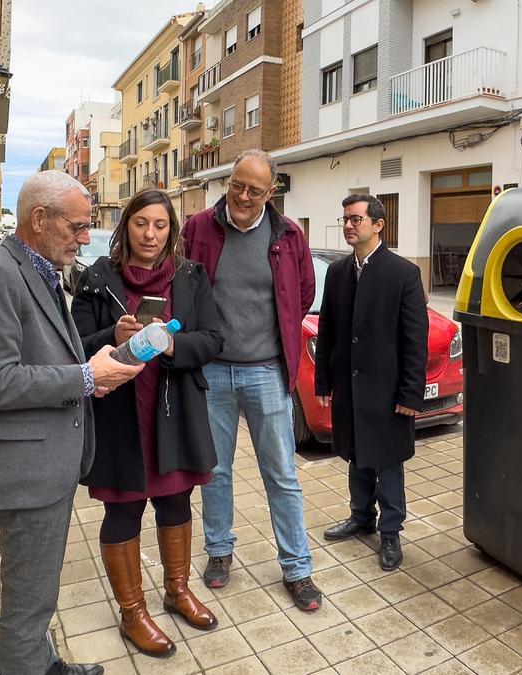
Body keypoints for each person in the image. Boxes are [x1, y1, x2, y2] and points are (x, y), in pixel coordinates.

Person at [0, 171, 144, 675]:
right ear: (40, 219)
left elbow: (46, 352)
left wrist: (95, 366)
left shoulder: (39, 270)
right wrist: (83, 377)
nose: (86, 238)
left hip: (44, 466)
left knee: (39, 593)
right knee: (26, 604)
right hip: (24, 470)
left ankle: (44, 664)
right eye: (79, 227)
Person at [71, 189, 224, 657]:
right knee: (124, 510)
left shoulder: (190, 277)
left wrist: (173, 346)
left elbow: (215, 339)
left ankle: (177, 592)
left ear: (171, 230)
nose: (150, 234)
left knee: (176, 504)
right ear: (126, 226)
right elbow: (73, 344)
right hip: (120, 414)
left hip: (175, 412)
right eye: (141, 224)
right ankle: (132, 611)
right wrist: (111, 335)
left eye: (160, 225)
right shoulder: (98, 279)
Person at [182, 149, 323, 611]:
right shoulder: (199, 228)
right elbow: (182, 286)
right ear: (230, 180)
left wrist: (273, 334)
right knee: (215, 470)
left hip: (265, 369)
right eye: (238, 184)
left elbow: (303, 293)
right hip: (213, 370)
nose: (243, 196)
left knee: (281, 473)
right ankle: (219, 552)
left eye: (254, 190)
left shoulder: (288, 235)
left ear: (271, 192)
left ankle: (297, 568)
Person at [315, 194, 429, 571]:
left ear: (379, 225)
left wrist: (411, 393)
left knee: (388, 460)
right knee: (356, 453)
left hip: (388, 388)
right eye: (345, 219)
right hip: (349, 385)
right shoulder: (338, 273)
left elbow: (415, 340)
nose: (348, 225)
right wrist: (324, 382)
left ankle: (391, 531)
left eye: (356, 219)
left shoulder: (403, 274)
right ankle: (360, 516)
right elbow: (328, 330)